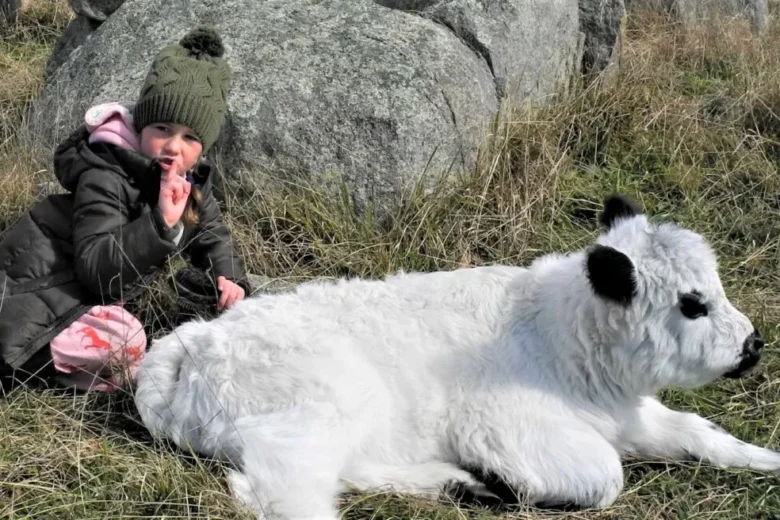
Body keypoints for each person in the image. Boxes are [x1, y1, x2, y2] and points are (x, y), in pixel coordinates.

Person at [0, 26, 249, 392]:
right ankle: (24, 360)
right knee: (126, 339)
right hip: (41, 284)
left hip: (84, 295)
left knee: (132, 355)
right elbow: (96, 272)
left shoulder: (189, 181)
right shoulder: (108, 173)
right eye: (162, 127)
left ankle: (83, 371)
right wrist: (161, 223)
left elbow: (212, 234)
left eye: (191, 137)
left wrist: (230, 277)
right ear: (141, 124)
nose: (173, 147)